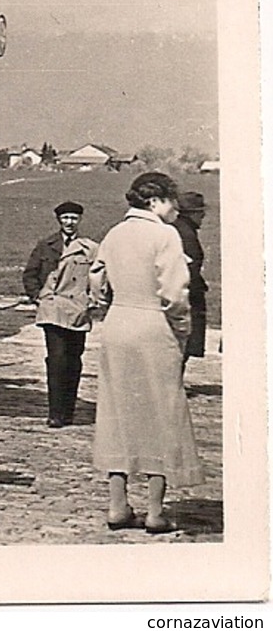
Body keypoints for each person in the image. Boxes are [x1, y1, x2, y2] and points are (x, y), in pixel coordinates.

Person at [90, 171, 202, 534]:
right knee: (160, 411)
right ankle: (155, 511)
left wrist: (108, 304)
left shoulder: (114, 233)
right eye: (171, 202)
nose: (175, 211)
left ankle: (117, 505)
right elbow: (174, 294)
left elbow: (96, 276)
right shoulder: (165, 234)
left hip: (118, 323)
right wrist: (181, 333)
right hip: (153, 325)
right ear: (155, 201)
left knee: (117, 410)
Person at [21, 201, 99, 427]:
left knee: (74, 360)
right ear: (59, 220)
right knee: (56, 359)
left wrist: (92, 302)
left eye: (74, 218)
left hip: (77, 311)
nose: (69, 222)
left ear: (79, 221)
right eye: (65, 218)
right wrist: (39, 297)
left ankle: (68, 410)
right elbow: (30, 274)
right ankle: (55, 412)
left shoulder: (89, 248)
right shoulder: (46, 245)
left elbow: (99, 277)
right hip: (53, 309)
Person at [175, 192, 209, 362]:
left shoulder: (180, 228)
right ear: (192, 213)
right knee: (183, 346)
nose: (203, 217)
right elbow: (189, 268)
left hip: (184, 293)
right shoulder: (186, 234)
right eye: (201, 213)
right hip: (186, 296)